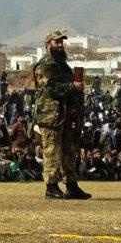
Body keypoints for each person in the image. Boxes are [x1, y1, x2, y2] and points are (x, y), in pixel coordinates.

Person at [32, 30, 89, 200]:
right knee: (52, 151)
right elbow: (51, 88)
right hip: (50, 116)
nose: (60, 45)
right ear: (48, 44)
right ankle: (51, 187)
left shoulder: (63, 66)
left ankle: (71, 185)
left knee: (69, 151)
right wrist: (73, 87)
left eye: (61, 42)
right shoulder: (45, 65)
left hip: (65, 115)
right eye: (56, 42)